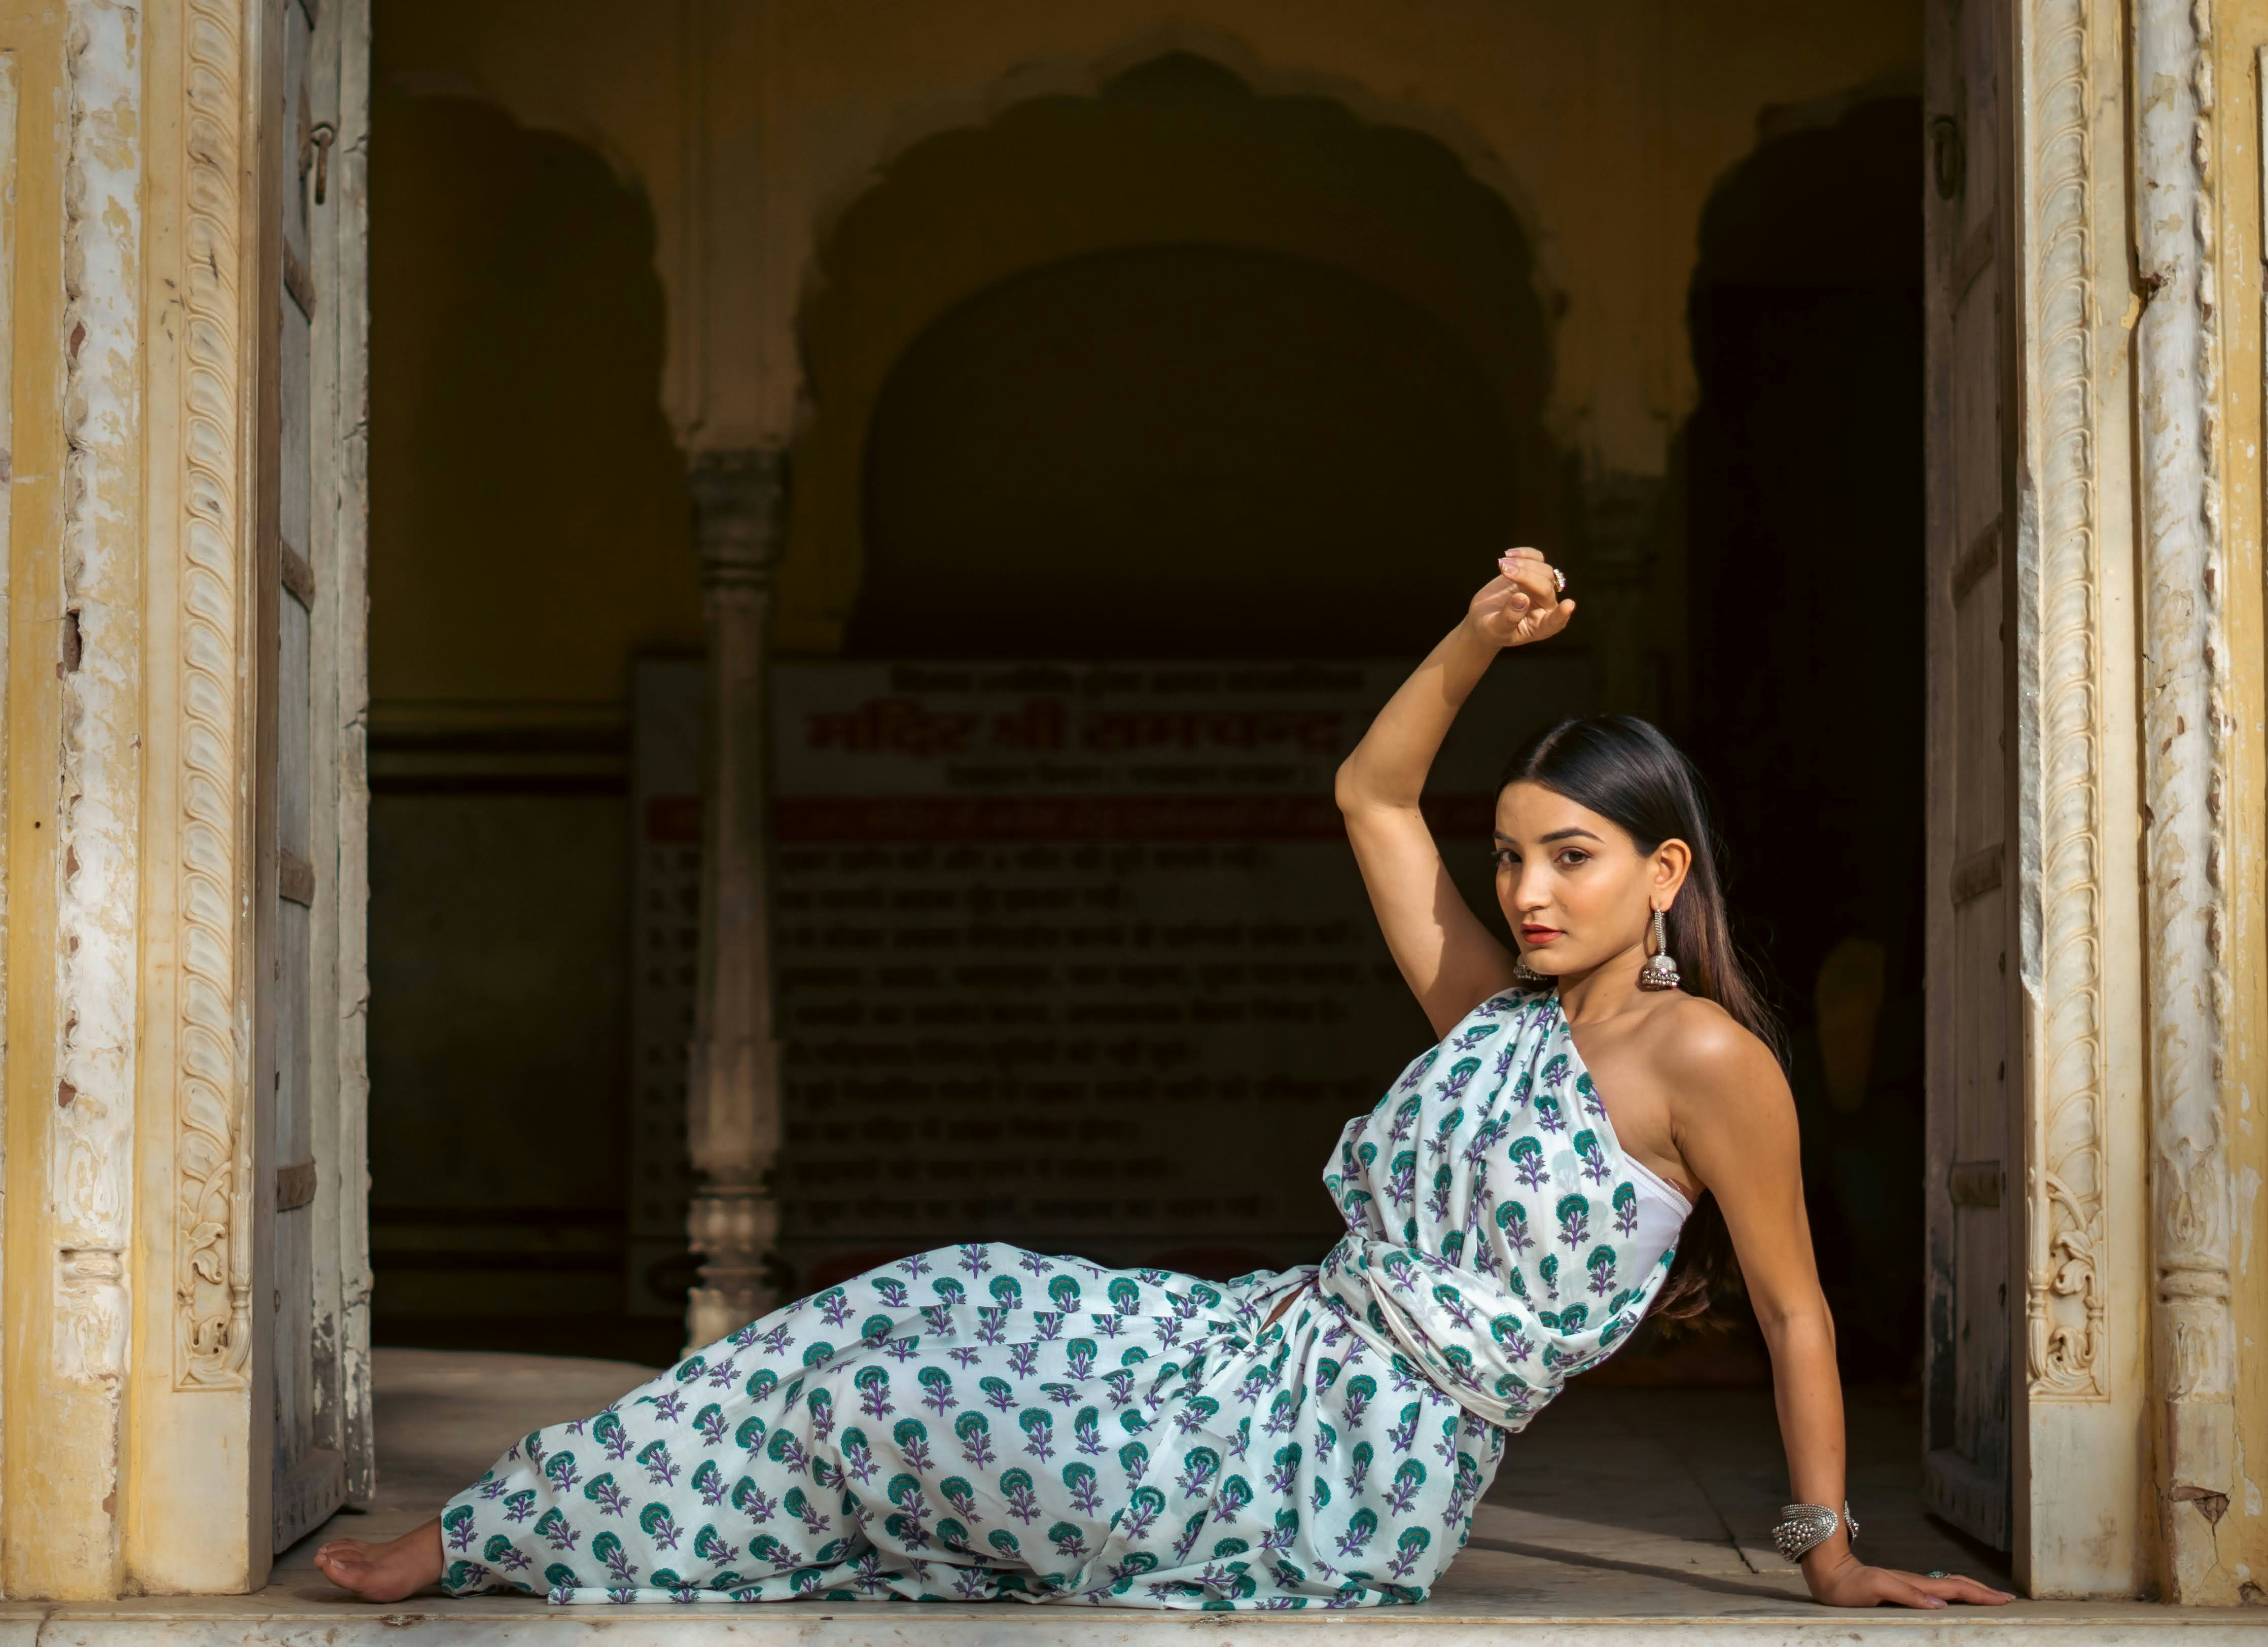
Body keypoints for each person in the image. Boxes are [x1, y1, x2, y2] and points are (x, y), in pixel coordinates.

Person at [316, 551, 2008, 1612]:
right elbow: (1368, 793)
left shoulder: (1708, 1060)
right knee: (912, 1295)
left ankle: (508, 1544)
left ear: (1663, 870)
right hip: (1249, 1345)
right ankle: (500, 1521)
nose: (1528, 892)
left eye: (1570, 857)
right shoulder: (1493, 1010)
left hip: (1341, 1473)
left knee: (888, 1411)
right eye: (1509, 858)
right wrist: (1482, 635)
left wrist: (1829, 1546)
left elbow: (1792, 1311)